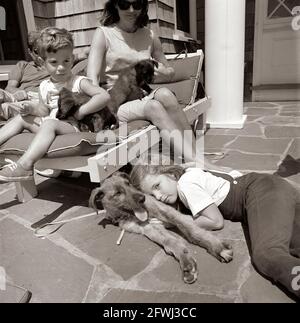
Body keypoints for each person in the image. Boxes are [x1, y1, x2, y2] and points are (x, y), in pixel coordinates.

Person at [130, 155, 300, 299]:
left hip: (260, 191)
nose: (158, 196)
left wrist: (175, 224)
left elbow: (214, 221)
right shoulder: (190, 174)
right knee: (293, 243)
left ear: (169, 173)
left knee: (267, 253)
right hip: (270, 187)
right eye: (152, 195)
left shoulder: (185, 185)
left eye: (157, 186)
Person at [87, 0, 221, 170]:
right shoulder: (104, 34)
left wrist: (160, 73)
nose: (131, 10)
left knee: (165, 94)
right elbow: (91, 77)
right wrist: (96, 107)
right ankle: (196, 161)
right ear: (115, 5)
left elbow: (169, 71)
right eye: (124, 4)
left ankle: (196, 157)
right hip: (116, 101)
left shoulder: (150, 36)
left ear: (143, 7)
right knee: (154, 107)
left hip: (141, 95)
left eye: (137, 4)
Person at [0, 27, 110, 182]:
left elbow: (103, 96)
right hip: (50, 123)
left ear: (72, 59)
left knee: (50, 124)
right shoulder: (44, 85)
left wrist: (82, 111)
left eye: (66, 61)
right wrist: (30, 108)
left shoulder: (78, 82)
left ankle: (25, 165)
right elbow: (43, 110)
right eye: (53, 62)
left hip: (73, 125)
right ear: (43, 63)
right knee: (22, 118)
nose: (61, 67)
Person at [0, 31, 49, 120]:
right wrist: (20, 92)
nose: (40, 56)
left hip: (37, 99)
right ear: (30, 51)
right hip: (20, 95)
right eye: (36, 52)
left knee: (6, 108)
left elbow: (76, 56)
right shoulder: (22, 65)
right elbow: (9, 88)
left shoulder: (55, 65)